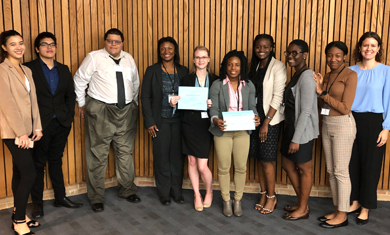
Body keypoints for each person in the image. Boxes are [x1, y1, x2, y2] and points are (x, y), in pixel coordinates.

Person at [74, 28, 141, 212]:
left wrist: (133, 103)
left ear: (122, 43)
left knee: (125, 152)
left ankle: (128, 190)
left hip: (126, 111)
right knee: (98, 154)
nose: (113, 44)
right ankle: (96, 197)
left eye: (117, 41)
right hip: (101, 110)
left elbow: (135, 82)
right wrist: (81, 103)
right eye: (110, 41)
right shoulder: (94, 57)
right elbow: (79, 80)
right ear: (105, 42)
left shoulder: (129, 58)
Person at [24, 32, 83, 219]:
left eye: (52, 44)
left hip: (61, 123)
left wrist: (67, 116)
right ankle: (38, 205)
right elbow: (24, 98)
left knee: (56, 160)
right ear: (36, 48)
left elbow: (70, 94)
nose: (49, 48)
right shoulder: (28, 68)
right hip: (39, 126)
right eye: (44, 44)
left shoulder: (64, 69)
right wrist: (32, 123)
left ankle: (60, 197)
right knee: (38, 164)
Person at [0, 30, 43, 235]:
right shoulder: (1, 70)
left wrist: (37, 127)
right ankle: (18, 221)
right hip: (12, 131)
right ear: (4, 48)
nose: (19, 47)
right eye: (13, 44)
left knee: (19, 171)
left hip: (27, 130)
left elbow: (33, 100)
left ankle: (20, 213)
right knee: (29, 172)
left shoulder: (27, 70)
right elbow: (7, 104)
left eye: (21, 43)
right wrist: (21, 133)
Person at [209, 50, 260, 217]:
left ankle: (237, 199)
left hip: (242, 131)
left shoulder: (249, 85)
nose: (233, 68)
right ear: (225, 65)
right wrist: (216, 120)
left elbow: (253, 108)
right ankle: (226, 200)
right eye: (230, 64)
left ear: (242, 67)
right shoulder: (217, 84)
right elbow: (214, 109)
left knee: (240, 167)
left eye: (237, 64)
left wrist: (256, 117)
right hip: (223, 130)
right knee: (223, 168)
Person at [313, 41, 357, 228]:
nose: (333, 59)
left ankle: (343, 214)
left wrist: (322, 93)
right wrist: (321, 88)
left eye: (338, 55)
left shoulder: (351, 75)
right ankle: (337, 208)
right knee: (331, 170)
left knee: (340, 171)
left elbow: (345, 108)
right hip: (327, 123)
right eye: (330, 55)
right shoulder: (329, 75)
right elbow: (324, 102)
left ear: (344, 57)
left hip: (343, 125)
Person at [348, 32, 390, 225]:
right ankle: (355, 201)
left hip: (375, 123)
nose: (369, 48)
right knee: (352, 163)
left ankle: (365, 206)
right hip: (351, 119)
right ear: (360, 47)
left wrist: (386, 128)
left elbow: (389, 101)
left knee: (371, 166)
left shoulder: (386, 71)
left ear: (378, 48)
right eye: (366, 45)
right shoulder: (350, 71)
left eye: (373, 45)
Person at [141, 37, 189, 206]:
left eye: (170, 48)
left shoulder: (183, 71)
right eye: (163, 49)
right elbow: (145, 97)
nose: (166, 51)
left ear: (175, 51)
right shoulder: (152, 70)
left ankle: (177, 192)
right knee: (161, 157)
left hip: (179, 121)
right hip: (159, 121)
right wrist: (149, 121)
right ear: (159, 51)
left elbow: (189, 95)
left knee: (177, 158)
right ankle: (164, 193)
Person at [170, 46, 217, 211]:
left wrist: (213, 104)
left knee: (202, 165)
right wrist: (173, 101)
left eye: (204, 57)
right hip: (189, 123)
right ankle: (197, 194)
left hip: (206, 125)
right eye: (197, 57)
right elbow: (179, 99)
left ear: (209, 59)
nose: (201, 60)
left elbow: (222, 104)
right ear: (193, 60)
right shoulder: (186, 79)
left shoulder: (216, 79)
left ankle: (209, 192)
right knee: (191, 160)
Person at [248, 34, 286, 214]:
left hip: (269, 120)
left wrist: (266, 122)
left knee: (267, 159)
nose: (261, 50)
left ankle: (272, 196)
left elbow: (278, 97)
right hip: (254, 118)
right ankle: (263, 193)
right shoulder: (254, 65)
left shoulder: (278, 66)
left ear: (272, 47)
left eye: (265, 47)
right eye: (258, 47)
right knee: (258, 157)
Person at [281, 39, 319, 221]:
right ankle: (301, 202)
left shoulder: (307, 76)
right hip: (291, 128)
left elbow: (305, 111)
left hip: (302, 133)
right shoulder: (297, 74)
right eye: (288, 53)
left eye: (294, 53)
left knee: (304, 169)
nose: (290, 56)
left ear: (305, 55)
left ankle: (303, 208)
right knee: (287, 164)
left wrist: (296, 139)